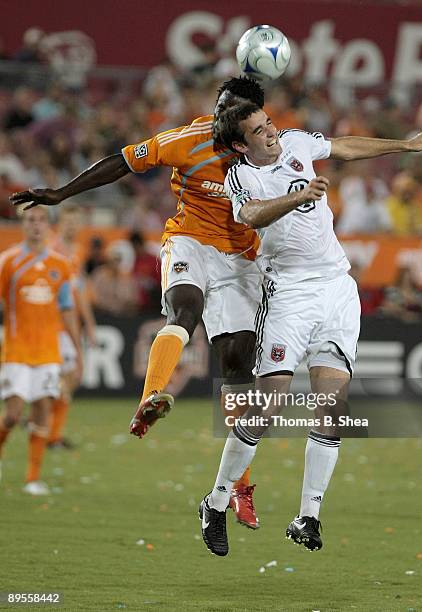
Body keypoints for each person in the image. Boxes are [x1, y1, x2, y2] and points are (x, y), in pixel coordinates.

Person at [9, 77, 266, 528]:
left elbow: (328, 153)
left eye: (234, 114)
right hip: (188, 242)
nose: (222, 119)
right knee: (184, 312)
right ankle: (150, 398)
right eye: (221, 108)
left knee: (237, 366)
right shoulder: (188, 139)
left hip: (240, 260)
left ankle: (239, 486)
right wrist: (61, 193)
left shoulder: (268, 150)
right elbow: (122, 162)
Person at [198, 101, 422, 556]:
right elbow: (250, 217)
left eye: (268, 124)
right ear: (239, 143)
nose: (270, 133)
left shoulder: (295, 142)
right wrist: (299, 196)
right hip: (289, 293)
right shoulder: (240, 176)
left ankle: (308, 515)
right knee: (269, 405)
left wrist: (402, 146)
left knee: (331, 407)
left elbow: (344, 145)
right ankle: (215, 501)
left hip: (336, 289)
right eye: (257, 131)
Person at [0, 206, 81, 494]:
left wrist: (76, 346)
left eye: (41, 220)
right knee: (12, 414)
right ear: (23, 225)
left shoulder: (60, 264)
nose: (36, 225)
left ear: (48, 225)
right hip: (17, 349)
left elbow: (67, 307)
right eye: (30, 220)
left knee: (43, 409)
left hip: (48, 350)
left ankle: (32, 478)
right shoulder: (8, 262)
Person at [48, 205, 96, 449]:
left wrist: (89, 325)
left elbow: (80, 293)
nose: (72, 226)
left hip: (71, 325)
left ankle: (49, 429)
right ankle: (50, 432)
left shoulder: (77, 251)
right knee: (65, 378)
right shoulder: (51, 251)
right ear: (60, 224)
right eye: (68, 222)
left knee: (71, 378)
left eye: (76, 222)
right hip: (53, 325)